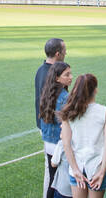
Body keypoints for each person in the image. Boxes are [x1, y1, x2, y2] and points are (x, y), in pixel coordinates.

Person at [59, 74, 106, 198]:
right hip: (97, 166)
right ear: (95, 90)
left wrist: (75, 169)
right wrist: (102, 171)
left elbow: (66, 143)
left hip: (76, 166)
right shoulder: (105, 112)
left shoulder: (68, 112)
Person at [36, 38, 67, 197]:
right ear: (57, 53)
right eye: (64, 50)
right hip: (52, 128)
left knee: (52, 169)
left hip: (44, 124)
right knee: (52, 171)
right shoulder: (53, 73)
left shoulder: (41, 70)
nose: (66, 53)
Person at [40, 62, 73, 198]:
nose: (71, 77)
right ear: (57, 78)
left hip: (48, 144)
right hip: (59, 145)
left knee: (52, 181)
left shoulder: (47, 92)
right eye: (67, 75)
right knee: (58, 184)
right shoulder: (65, 97)